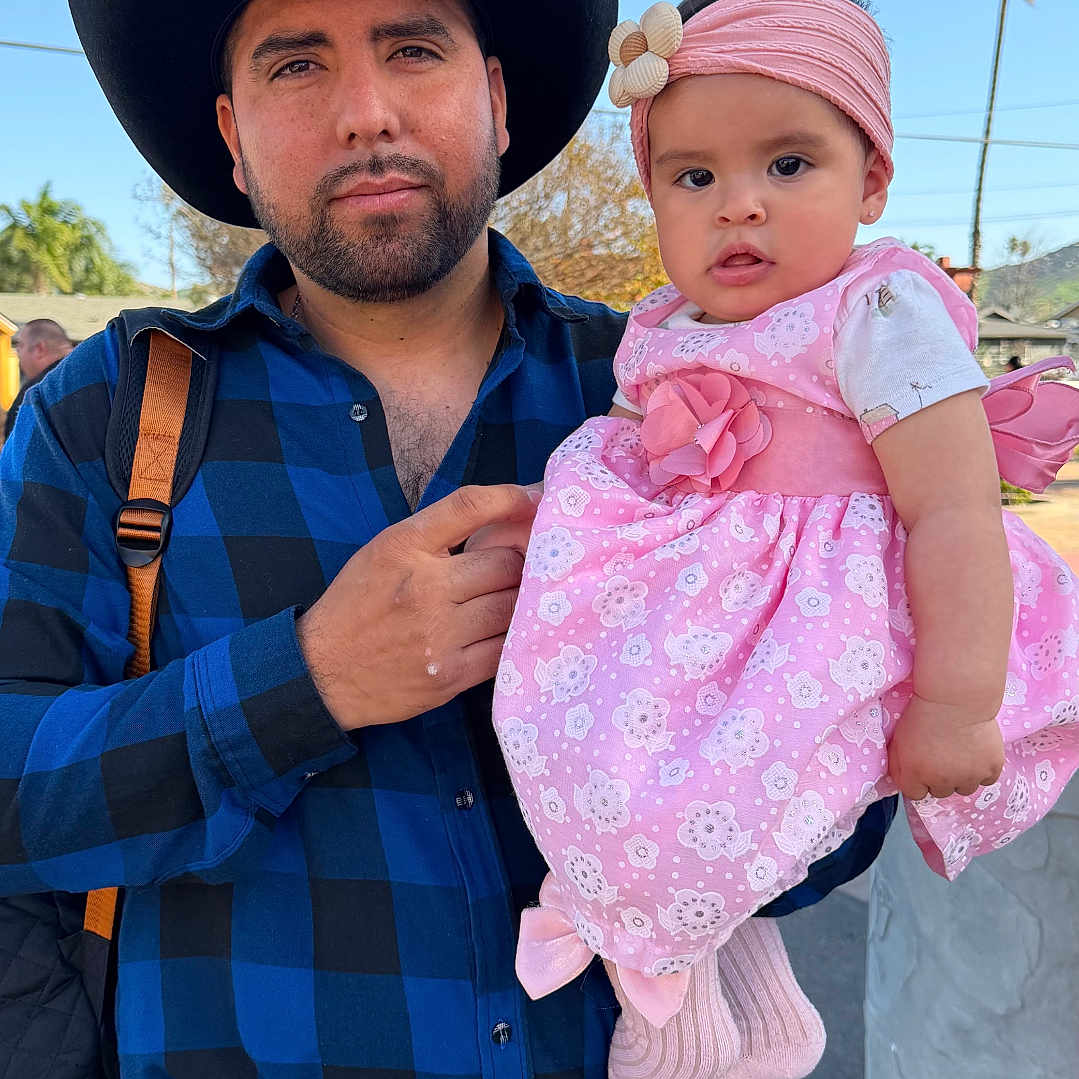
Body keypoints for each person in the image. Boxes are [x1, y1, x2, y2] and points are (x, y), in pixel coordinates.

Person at [0, 1, 897, 1076]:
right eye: (296, 67)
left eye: (413, 50)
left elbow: (835, 827)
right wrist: (307, 680)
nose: (365, 113)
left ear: (497, 102)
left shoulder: (681, 394)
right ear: (234, 137)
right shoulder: (105, 414)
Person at [485, 1, 1079, 1077]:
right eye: (692, 176)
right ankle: (749, 1003)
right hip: (698, 609)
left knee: (693, 798)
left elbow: (951, 508)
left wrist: (954, 701)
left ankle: (669, 1015)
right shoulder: (660, 327)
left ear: (871, 182)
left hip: (819, 617)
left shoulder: (878, 308)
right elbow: (623, 465)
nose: (738, 203)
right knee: (599, 744)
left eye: (789, 164)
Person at [4, 318, 73, 439]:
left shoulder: (36, 393)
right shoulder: (92, 373)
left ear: (39, 349)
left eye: (21, 346)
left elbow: (19, 446)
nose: (18, 353)